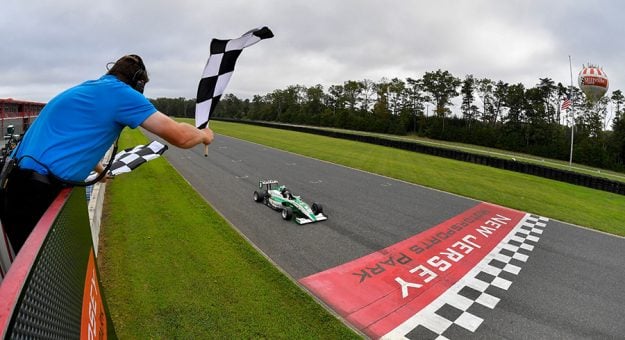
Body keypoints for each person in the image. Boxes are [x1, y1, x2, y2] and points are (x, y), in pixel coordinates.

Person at [0, 54, 214, 253]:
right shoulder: (123, 94)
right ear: (139, 83)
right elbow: (180, 136)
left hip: (16, 182)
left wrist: (100, 170)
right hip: (36, 193)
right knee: (35, 279)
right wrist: (203, 135)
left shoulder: (90, 89)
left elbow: (78, 137)